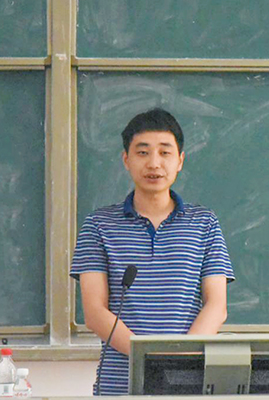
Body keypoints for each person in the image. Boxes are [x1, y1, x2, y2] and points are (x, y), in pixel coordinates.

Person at [70, 108, 234, 395]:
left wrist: (178, 362)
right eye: (143, 152)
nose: (154, 163)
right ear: (126, 160)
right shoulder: (99, 225)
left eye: (165, 152)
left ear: (180, 160)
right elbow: (95, 313)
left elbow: (216, 307)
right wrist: (151, 360)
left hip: (186, 384)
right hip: (120, 386)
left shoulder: (204, 224)